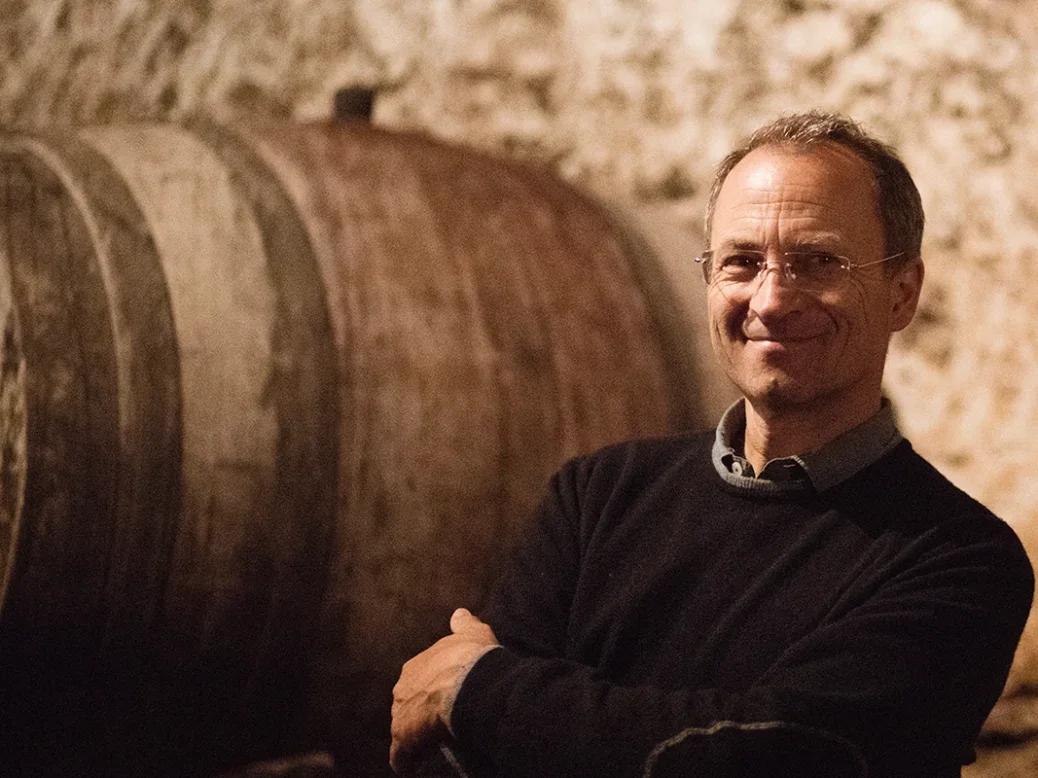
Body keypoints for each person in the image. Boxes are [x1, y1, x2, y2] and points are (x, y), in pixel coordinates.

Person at [389, 111, 1035, 777]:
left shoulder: (963, 560)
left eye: (818, 262)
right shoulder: (596, 496)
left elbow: (761, 760)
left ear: (903, 294)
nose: (773, 298)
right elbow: (462, 763)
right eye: (742, 262)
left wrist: (482, 690)